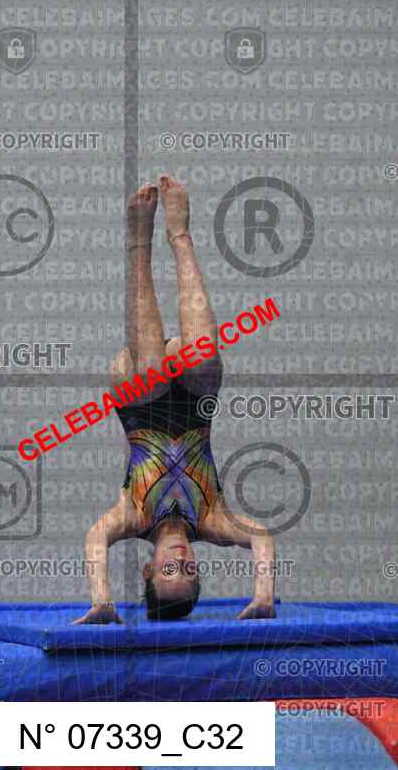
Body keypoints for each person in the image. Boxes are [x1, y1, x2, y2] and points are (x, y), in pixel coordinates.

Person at [73, 175, 276, 625]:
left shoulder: (132, 516)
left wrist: (102, 600)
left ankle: (138, 241)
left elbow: (95, 538)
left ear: (148, 569)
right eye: (189, 571)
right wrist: (264, 596)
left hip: (136, 391)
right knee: (202, 355)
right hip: (193, 394)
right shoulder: (213, 521)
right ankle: (180, 235)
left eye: (169, 570)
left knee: (148, 376)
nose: (181, 560)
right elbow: (261, 537)